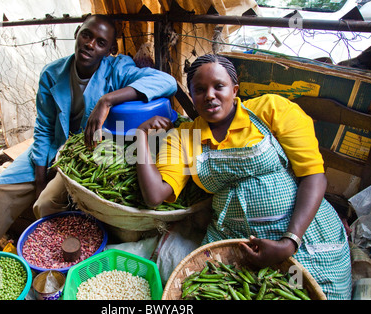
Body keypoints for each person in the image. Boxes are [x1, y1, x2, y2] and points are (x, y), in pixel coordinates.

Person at [0, 14, 177, 262]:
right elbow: (44, 129)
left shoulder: (117, 69)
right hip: (56, 145)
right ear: (78, 33)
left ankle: (63, 258)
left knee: (47, 204)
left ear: (110, 49)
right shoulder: (52, 74)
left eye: (101, 42)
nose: (90, 44)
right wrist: (39, 179)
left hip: (90, 153)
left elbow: (166, 81)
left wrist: (107, 100)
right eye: (87, 35)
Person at [135, 54, 351, 300]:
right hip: (236, 241)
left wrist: (289, 242)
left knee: (312, 293)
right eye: (199, 90)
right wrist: (142, 136)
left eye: (219, 86)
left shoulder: (271, 110)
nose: (209, 95)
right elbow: (154, 195)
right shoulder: (184, 137)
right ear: (192, 97)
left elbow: (313, 176)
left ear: (235, 89)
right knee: (218, 293)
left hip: (302, 233)